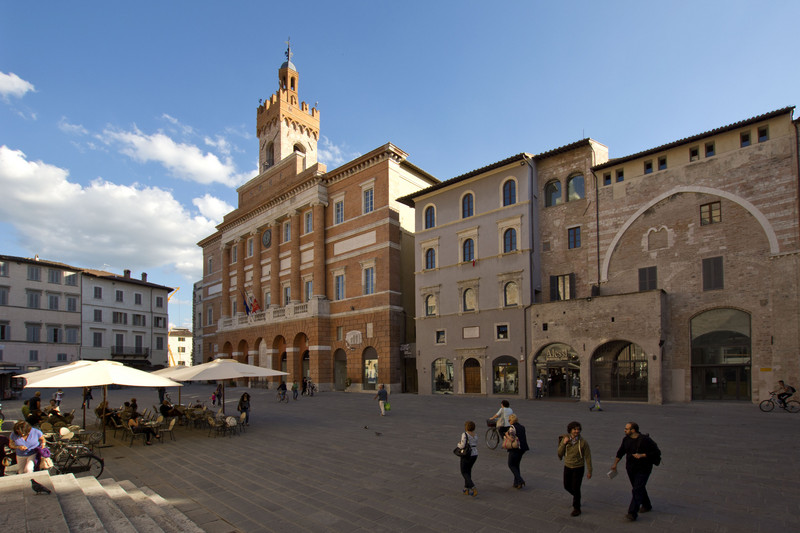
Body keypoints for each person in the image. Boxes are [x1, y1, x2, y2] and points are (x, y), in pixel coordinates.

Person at [610, 422, 660, 521]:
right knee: (638, 487)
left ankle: (632, 513)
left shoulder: (645, 440)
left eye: (627, 429)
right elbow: (621, 452)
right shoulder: (626, 439)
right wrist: (615, 464)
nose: (625, 430)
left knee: (637, 489)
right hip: (631, 468)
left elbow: (656, 452)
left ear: (633, 430)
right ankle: (647, 505)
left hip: (644, 468)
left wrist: (643, 455)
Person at [558, 421, 592, 516]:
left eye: (578, 429)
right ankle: (577, 497)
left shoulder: (583, 442)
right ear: (570, 430)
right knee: (566, 486)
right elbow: (559, 453)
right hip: (568, 466)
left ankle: (577, 508)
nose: (577, 431)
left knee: (576, 488)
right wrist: (563, 443)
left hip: (578, 467)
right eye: (575, 429)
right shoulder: (565, 439)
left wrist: (590, 470)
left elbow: (588, 456)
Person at [505, 414, 529, 489]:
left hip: (515, 448)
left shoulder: (512, 428)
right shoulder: (522, 427)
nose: (509, 421)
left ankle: (520, 480)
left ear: (512, 420)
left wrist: (506, 434)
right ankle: (517, 483)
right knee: (516, 465)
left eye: (509, 420)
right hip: (522, 448)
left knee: (511, 464)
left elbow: (512, 439)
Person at [456, 420, 478, 496]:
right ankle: (466, 488)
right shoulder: (475, 435)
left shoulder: (465, 434)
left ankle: (472, 487)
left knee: (464, 471)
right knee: (468, 471)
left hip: (467, 454)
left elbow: (462, 445)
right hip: (475, 454)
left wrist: (458, 444)